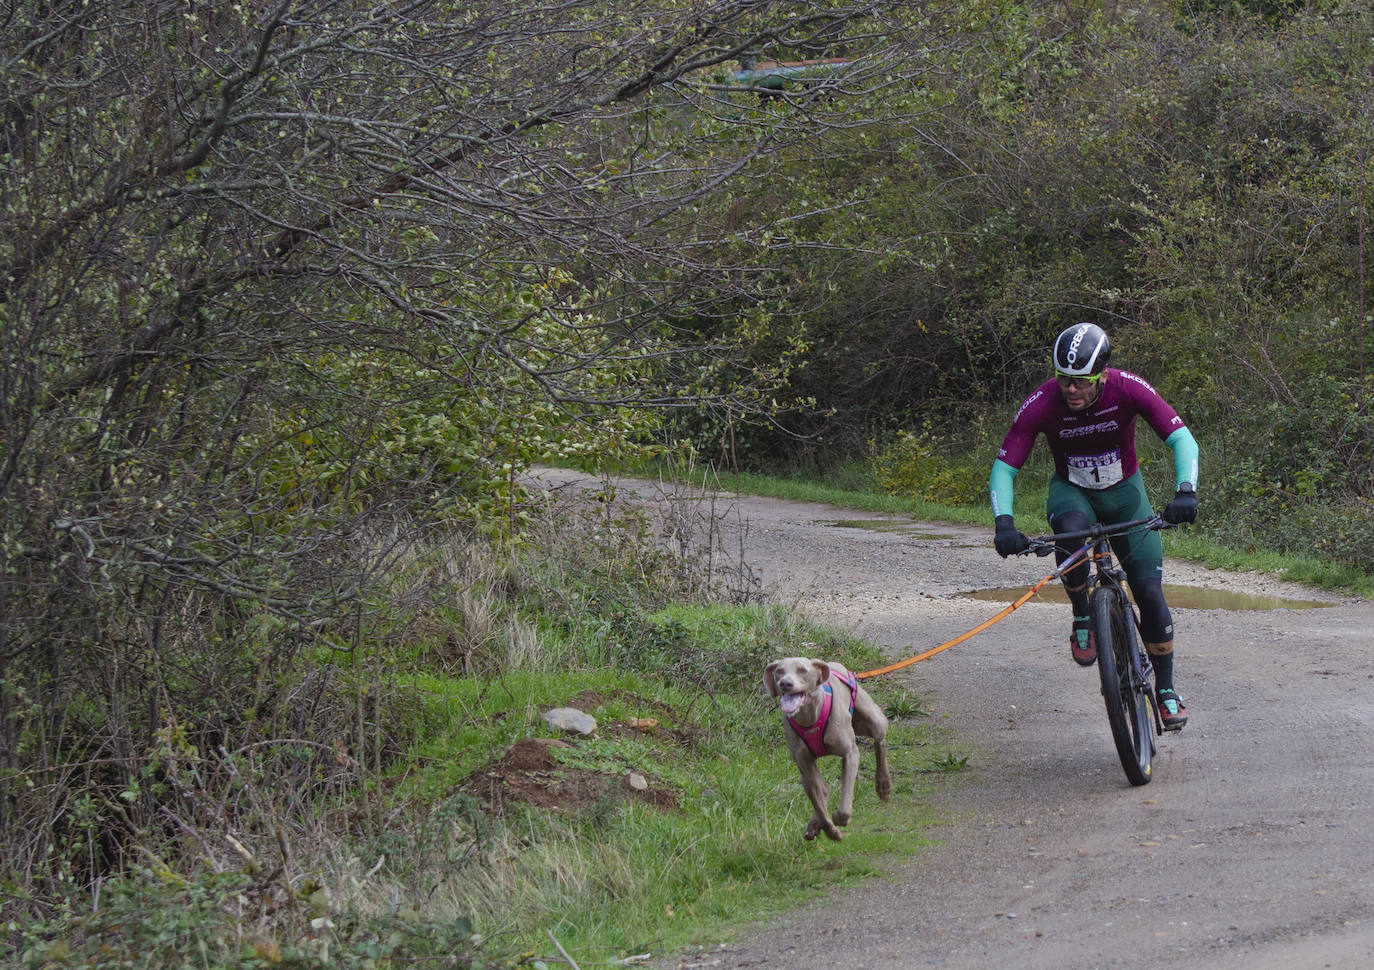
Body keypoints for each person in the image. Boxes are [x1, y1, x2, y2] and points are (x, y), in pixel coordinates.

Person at [988, 322, 1199, 729]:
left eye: (1081, 382)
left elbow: (1182, 439)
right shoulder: (1042, 403)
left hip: (1126, 496)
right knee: (1069, 530)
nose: (1071, 391)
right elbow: (1004, 468)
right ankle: (1082, 612)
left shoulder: (1127, 388)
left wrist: (1185, 491)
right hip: (1073, 492)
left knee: (1150, 593)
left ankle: (1167, 689)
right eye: (1064, 381)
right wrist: (1004, 523)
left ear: (1101, 374)